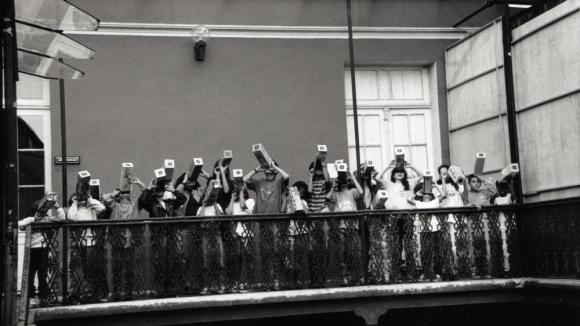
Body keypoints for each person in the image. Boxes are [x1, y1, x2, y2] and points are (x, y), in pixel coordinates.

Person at [102, 176, 146, 300]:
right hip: (117, 240)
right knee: (117, 268)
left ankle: (128, 294)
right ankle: (116, 294)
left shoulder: (135, 203)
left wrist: (139, 183)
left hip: (131, 240)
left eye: (126, 193)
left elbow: (146, 195)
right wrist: (115, 192)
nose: (124, 195)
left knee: (130, 269)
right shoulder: (115, 205)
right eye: (122, 194)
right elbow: (104, 199)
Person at [18, 194, 66, 306]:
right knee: (30, 274)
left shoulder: (47, 219)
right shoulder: (30, 219)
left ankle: (43, 297)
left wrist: (56, 206)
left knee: (42, 274)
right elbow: (19, 224)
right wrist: (34, 218)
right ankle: (30, 298)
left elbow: (62, 218)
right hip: (32, 249)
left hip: (43, 249)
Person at [68, 189, 107, 302]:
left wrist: (89, 198)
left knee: (90, 270)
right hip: (79, 243)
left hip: (90, 243)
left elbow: (102, 208)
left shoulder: (91, 208)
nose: (81, 199)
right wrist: (75, 202)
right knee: (77, 270)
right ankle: (76, 294)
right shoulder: (73, 209)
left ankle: (89, 294)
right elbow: (72, 216)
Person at [325, 168, 363, 284]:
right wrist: (334, 184)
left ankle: (355, 276)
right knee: (342, 253)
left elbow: (361, 192)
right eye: (342, 179)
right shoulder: (336, 194)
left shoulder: (352, 191)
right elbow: (327, 198)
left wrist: (352, 176)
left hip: (352, 226)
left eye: (345, 179)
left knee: (354, 251)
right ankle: (344, 277)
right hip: (341, 227)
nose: (343, 181)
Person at [407, 185, 448, 281]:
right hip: (424, 230)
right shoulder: (419, 203)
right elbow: (409, 199)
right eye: (424, 194)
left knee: (437, 252)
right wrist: (419, 191)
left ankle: (438, 273)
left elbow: (444, 194)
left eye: (428, 193)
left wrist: (435, 186)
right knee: (425, 251)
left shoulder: (435, 201)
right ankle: (427, 273)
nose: (426, 195)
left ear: (432, 195)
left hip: (436, 229)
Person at [226, 184, 255, 291]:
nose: (237, 194)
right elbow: (228, 213)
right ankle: (237, 282)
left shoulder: (250, 201)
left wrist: (242, 191)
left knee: (247, 258)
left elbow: (243, 206)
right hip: (235, 234)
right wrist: (232, 199)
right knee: (236, 259)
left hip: (246, 234)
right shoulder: (234, 203)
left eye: (239, 192)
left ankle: (246, 282)